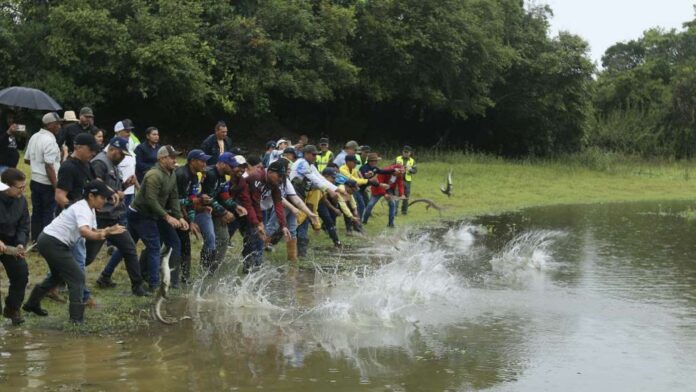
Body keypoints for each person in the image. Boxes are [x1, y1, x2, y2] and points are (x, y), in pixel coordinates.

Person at [23, 181, 126, 323]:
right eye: (102, 198)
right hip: (52, 242)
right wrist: (105, 233)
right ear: (91, 196)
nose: (105, 201)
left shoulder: (90, 209)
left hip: (50, 241)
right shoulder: (82, 208)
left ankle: (31, 304)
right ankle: (76, 320)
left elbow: (93, 230)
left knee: (57, 276)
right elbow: (84, 232)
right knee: (77, 277)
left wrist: (108, 230)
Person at [107, 146, 187, 291]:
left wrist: (179, 216)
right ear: (162, 159)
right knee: (154, 247)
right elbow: (151, 200)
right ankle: (154, 284)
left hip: (147, 213)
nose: (175, 160)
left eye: (175, 157)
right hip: (141, 214)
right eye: (172, 157)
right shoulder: (154, 175)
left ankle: (104, 276)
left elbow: (174, 196)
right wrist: (167, 217)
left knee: (127, 246)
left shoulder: (171, 174)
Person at [90, 137, 148, 296]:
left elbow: (112, 189)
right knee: (88, 256)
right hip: (100, 217)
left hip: (114, 217)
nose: (122, 157)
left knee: (129, 248)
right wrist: (116, 193)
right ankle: (57, 279)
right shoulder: (99, 163)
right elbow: (96, 187)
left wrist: (124, 185)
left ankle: (137, 287)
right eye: (121, 154)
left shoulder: (113, 164)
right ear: (113, 149)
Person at [55, 132, 99, 305]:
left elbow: (95, 183)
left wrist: (109, 192)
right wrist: (76, 213)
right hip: (71, 221)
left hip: (84, 219)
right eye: (90, 150)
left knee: (68, 259)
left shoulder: (86, 164)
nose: (93, 154)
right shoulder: (68, 167)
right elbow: (59, 196)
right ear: (78, 147)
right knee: (79, 259)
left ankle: (50, 287)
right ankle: (84, 297)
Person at [202, 152, 249, 272]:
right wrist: (224, 212)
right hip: (201, 209)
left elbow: (224, 195)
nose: (233, 168)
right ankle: (205, 266)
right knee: (211, 239)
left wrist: (235, 206)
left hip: (215, 209)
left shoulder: (225, 176)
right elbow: (207, 198)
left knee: (224, 238)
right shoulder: (210, 174)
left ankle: (213, 268)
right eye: (231, 165)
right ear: (222, 164)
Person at [290, 145, 341, 257]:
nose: (315, 157)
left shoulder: (310, 165)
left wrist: (335, 189)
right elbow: (314, 179)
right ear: (306, 154)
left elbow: (320, 178)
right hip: (294, 196)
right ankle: (270, 242)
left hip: (303, 197)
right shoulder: (302, 163)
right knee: (290, 224)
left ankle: (300, 254)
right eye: (313, 155)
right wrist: (328, 190)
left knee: (301, 223)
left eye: (316, 155)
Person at [175, 149, 215, 284]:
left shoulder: (193, 176)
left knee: (184, 245)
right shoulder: (181, 175)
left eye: (205, 161)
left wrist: (191, 220)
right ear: (192, 161)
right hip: (169, 213)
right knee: (162, 244)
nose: (205, 164)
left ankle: (184, 277)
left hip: (180, 215)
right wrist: (187, 218)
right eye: (201, 161)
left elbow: (191, 200)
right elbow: (176, 201)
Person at [244, 159, 291, 271]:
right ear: (269, 172)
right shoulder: (257, 177)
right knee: (247, 236)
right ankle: (248, 264)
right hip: (239, 207)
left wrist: (283, 225)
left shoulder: (274, 183)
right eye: (279, 175)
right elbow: (254, 201)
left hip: (253, 209)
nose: (281, 179)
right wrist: (259, 222)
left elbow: (278, 204)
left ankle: (254, 266)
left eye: (283, 176)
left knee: (257, 238)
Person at [24, 112, 62, 242]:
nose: (59, 127)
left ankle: (35, 239)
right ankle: (45, 242)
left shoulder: (34, 136)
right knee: (48, 213)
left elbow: (27, 160)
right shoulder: (50, 140)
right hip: (47, 183)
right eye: (57, 124)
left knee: (36, 212)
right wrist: (56, 185)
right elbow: (49, 166)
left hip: (35, 180)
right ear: (49, 125)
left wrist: (37, 165)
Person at [0, 169, 30, 324]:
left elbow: (24, 225)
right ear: (6, 186)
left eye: (25, 187)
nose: (23, 191)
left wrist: (20, 244)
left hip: (11, 243)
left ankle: (12, 308)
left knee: (21, 273)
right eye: (20, 188)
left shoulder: (21, 201)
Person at [362, 160, 405, 228]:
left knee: (392, 204)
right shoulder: (385, 171)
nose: (400, 175)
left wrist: (402, 194)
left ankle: (391, 224)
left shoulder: (399, 174)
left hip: (388, 189)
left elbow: (400, 184)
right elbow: (379, 183)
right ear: (395, 170)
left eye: (401, 173)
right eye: (399, 173)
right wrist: (384, 194)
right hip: (378, 188)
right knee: (370, 205)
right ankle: (364, 221)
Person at [395, 145, 417, 215]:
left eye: (407, 152)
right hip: (398, 179)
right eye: (404, 152)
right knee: (397, 195)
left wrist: (410, 169)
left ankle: (404, 211)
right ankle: (395, 211)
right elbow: (391, 167)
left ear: (410, 153)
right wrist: (396, 170)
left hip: (407, 181)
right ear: (402, 152)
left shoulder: (412, 161)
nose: (406, 153)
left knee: (406, 196)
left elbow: (415, 171)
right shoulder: (397, 158)